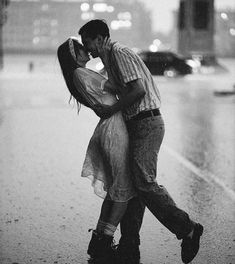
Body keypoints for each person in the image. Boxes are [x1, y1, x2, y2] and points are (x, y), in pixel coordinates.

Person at [78, 19, 204, 264]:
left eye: (88, 43)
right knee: (134, 187)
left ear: (101, 38)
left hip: (147, 123)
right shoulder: (110, 60)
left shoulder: (120, 53)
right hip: (137, 124)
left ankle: (188, 229)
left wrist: (110, 109)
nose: (88, 49)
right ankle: (129, 247)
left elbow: (138, 91)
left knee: (144, 184)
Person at [57, 37, 136, 263]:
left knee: (114, 190)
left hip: (108, 127)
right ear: (74, 54)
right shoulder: (81, 74)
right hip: (114, 129)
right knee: (123, 189)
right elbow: (117, 87)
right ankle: (105, 241)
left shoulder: (79, 75)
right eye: (82, 49)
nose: (87, 52)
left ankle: (100, 239)